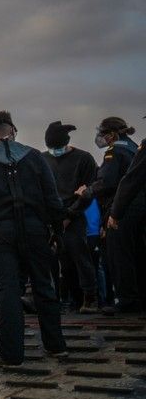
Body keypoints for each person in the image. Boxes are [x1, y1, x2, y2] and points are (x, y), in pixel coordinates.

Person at [0, 111, 68, 367]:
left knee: (7, 291)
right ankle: (56, 346)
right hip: (36, 230)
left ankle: (11, 355)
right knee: (44, 286)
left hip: (1, 234)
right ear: (14, 130)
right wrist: (56, 231)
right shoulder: (34, 157)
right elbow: (52, 199)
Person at [85, 117, 144, 314]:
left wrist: (87, 191)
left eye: (103, 133)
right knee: (137, 254)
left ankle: (127, 300)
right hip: (139, 208)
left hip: (122, 207)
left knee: (119, 256)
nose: (101, 138)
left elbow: (108, 181)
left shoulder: (114, 151)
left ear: (112, 134)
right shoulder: (134, 147)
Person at [42, 121, 99, 313]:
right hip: (50, 217)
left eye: (58, 147)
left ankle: (90, 298)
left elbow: (89, 192)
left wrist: (70, 215)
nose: (55, 151)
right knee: (58, 262)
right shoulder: (43, 160)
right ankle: (62, 300)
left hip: (74, 214)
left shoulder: (84, 159)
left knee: (80, 257)